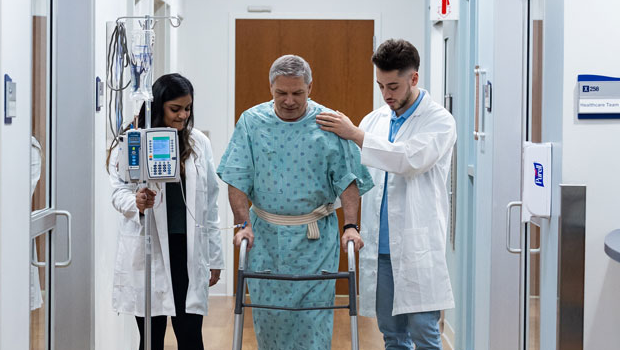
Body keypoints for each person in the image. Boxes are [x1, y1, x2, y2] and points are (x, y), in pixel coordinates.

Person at [218, 54, 374, 350]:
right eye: (281, 93)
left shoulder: (328, 123)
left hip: (315, 241)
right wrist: (242, 224)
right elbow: (236, 176)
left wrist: (351, 226)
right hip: (265, 238)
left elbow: (349, 181)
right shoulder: (252, 122)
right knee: (270, 318)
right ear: (271, 89)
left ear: (310, 88)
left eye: (297, 93)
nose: (289, 100)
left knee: (312, 318)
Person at [317, 39, 457, 350]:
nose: (386, 94)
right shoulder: (374, 120)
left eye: (393, 86)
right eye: (381, 86)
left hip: (415, 244)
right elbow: (359, 175)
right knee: (392, 336)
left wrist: (353, 133)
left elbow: (408, 160)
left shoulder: (439, 121)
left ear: (414, 78)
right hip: (379, 249)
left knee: (425, 335)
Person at [108, 73, 224, 350]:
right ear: (158, 105)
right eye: (175, 109)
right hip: (149, 248)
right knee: (150, 338)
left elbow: (210, 201)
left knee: (190, 336)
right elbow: (118, 191)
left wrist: (215, 257)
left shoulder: (198, 143)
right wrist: (135, 201)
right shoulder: (132, 140)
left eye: (188, 108)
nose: (183, 115)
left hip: (188, 250)